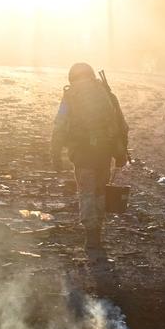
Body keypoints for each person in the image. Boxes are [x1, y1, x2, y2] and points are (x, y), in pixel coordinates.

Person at [50, 62, 130, 249]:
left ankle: (91, 235)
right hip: (104, 153)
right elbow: (121, 124)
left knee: (86, 192)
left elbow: (59, 126)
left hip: (82, 154)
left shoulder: (70, 96)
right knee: (100, 191)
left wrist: (55, 154)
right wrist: (120, 154)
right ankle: (98, 232)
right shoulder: (105, 93)